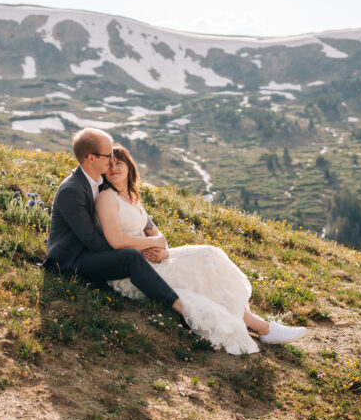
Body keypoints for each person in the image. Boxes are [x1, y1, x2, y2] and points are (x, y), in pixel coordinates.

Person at [95, 145, 306, 354]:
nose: (114, 168)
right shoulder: (106, 197)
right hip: (134, 269)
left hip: (153, 257)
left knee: (209, 254)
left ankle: (258, 324)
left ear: (129, 167)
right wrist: (155, 244)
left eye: (119, 163)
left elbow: (158, 235)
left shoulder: (132, 197)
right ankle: (264, 328)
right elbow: (115, 240)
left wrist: (164, 250)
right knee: (198, 280)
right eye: (110, 164)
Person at [43, 128, 185, 317]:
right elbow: (93, 241)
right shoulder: (72, 190)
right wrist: (138, 248)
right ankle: (176, 305)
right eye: (107, 155)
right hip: (72, 258)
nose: (111, 160)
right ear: (91, 158)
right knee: (131, 258)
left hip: (89, 250)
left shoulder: (99, 182)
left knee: (136, 255)